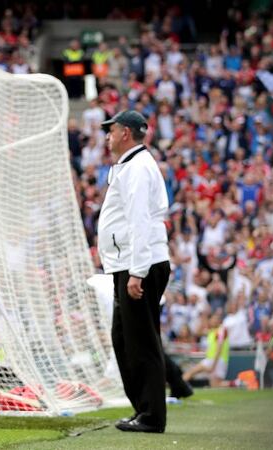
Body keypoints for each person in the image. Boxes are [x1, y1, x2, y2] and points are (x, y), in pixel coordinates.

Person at [97, 110, 170, 433]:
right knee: (125, 340)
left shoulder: (138, 168)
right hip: (128, 263)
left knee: (141, 342)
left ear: (125, 132)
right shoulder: (132, 165)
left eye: (110, 131)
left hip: (138, 265)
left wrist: (138, 272)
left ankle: (152, 416)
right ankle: (143, 409)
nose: (106, 136)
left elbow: (139, 220)